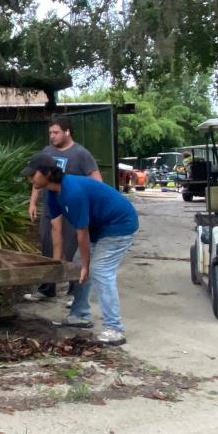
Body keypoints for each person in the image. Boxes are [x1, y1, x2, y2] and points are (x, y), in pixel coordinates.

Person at [23, 152, 138, 345]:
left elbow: (81, 233)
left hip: (119, 225)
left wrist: (87, 265)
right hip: (99, 226)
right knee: (78, 264)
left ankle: (115, 329)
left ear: (47, 173)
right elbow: (56, 227)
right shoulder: (52, 192)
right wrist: (57, 264)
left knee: (100, 270)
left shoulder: (72, 192)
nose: (29, 179)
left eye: (32, 174)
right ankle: (80, 315)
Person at [25, 116, 102, 303]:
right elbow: (37, 181)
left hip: (71, 207)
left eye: (56, 132)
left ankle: (75, 293)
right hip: (51, 205)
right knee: (47, 244)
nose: (52, 136)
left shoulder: (81, 154)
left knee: (73, 248)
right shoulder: (46, 152)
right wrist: (33, 202)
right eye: (50, 132)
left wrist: (90, 204)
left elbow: (97, 181)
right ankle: (47, 288)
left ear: (67, 132)